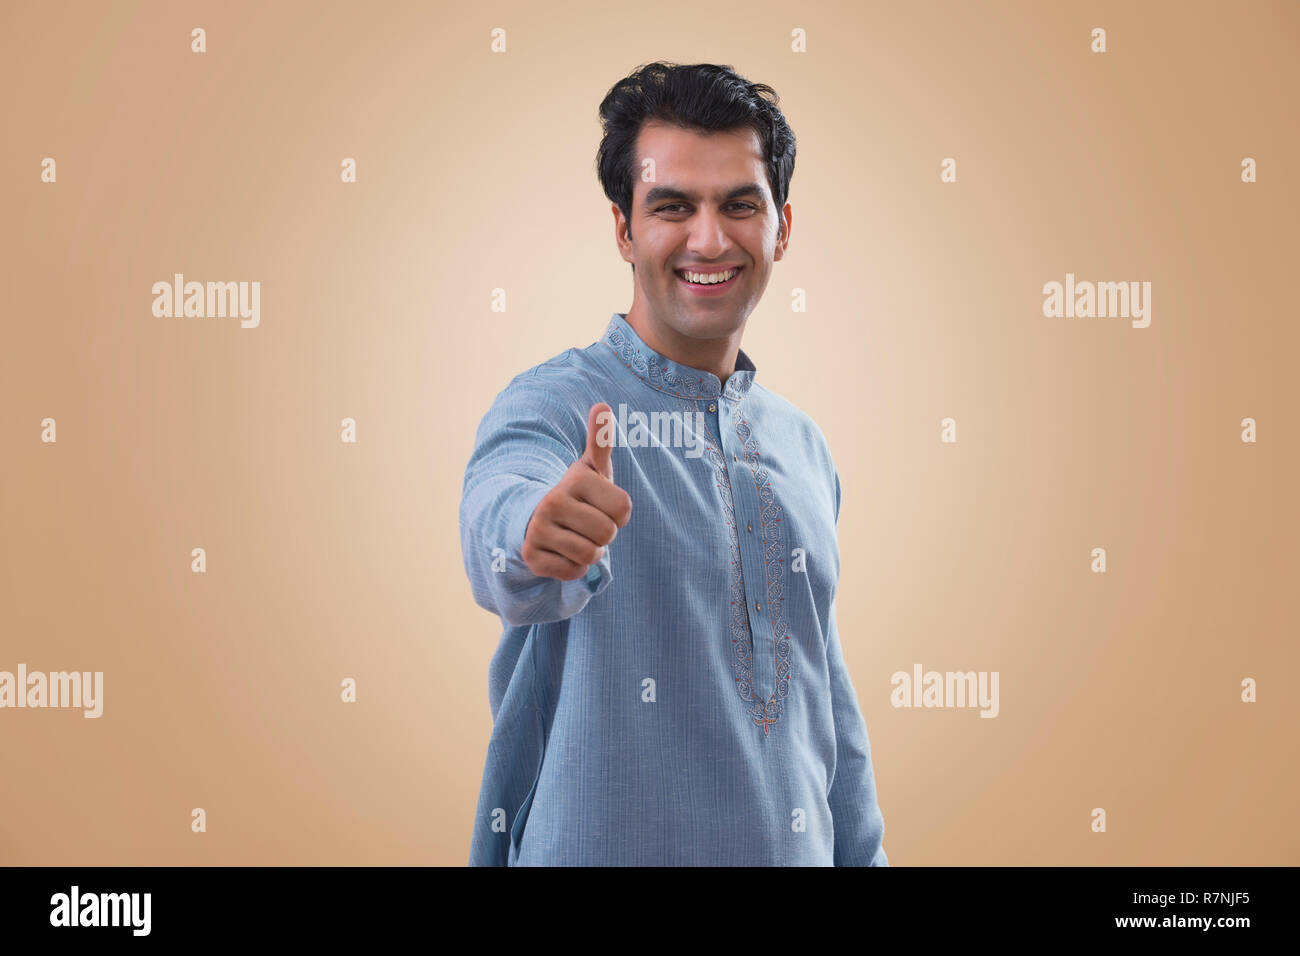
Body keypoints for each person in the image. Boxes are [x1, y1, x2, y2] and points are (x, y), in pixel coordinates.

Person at [459, 61, 888, 866]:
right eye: (672, 207)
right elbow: (502, 503)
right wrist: (533, 529)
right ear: (624, 229)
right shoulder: (557, 406)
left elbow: (824, 708)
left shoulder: (802, 446)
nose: (709, 238)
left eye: (739, 205)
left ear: (781, 229)